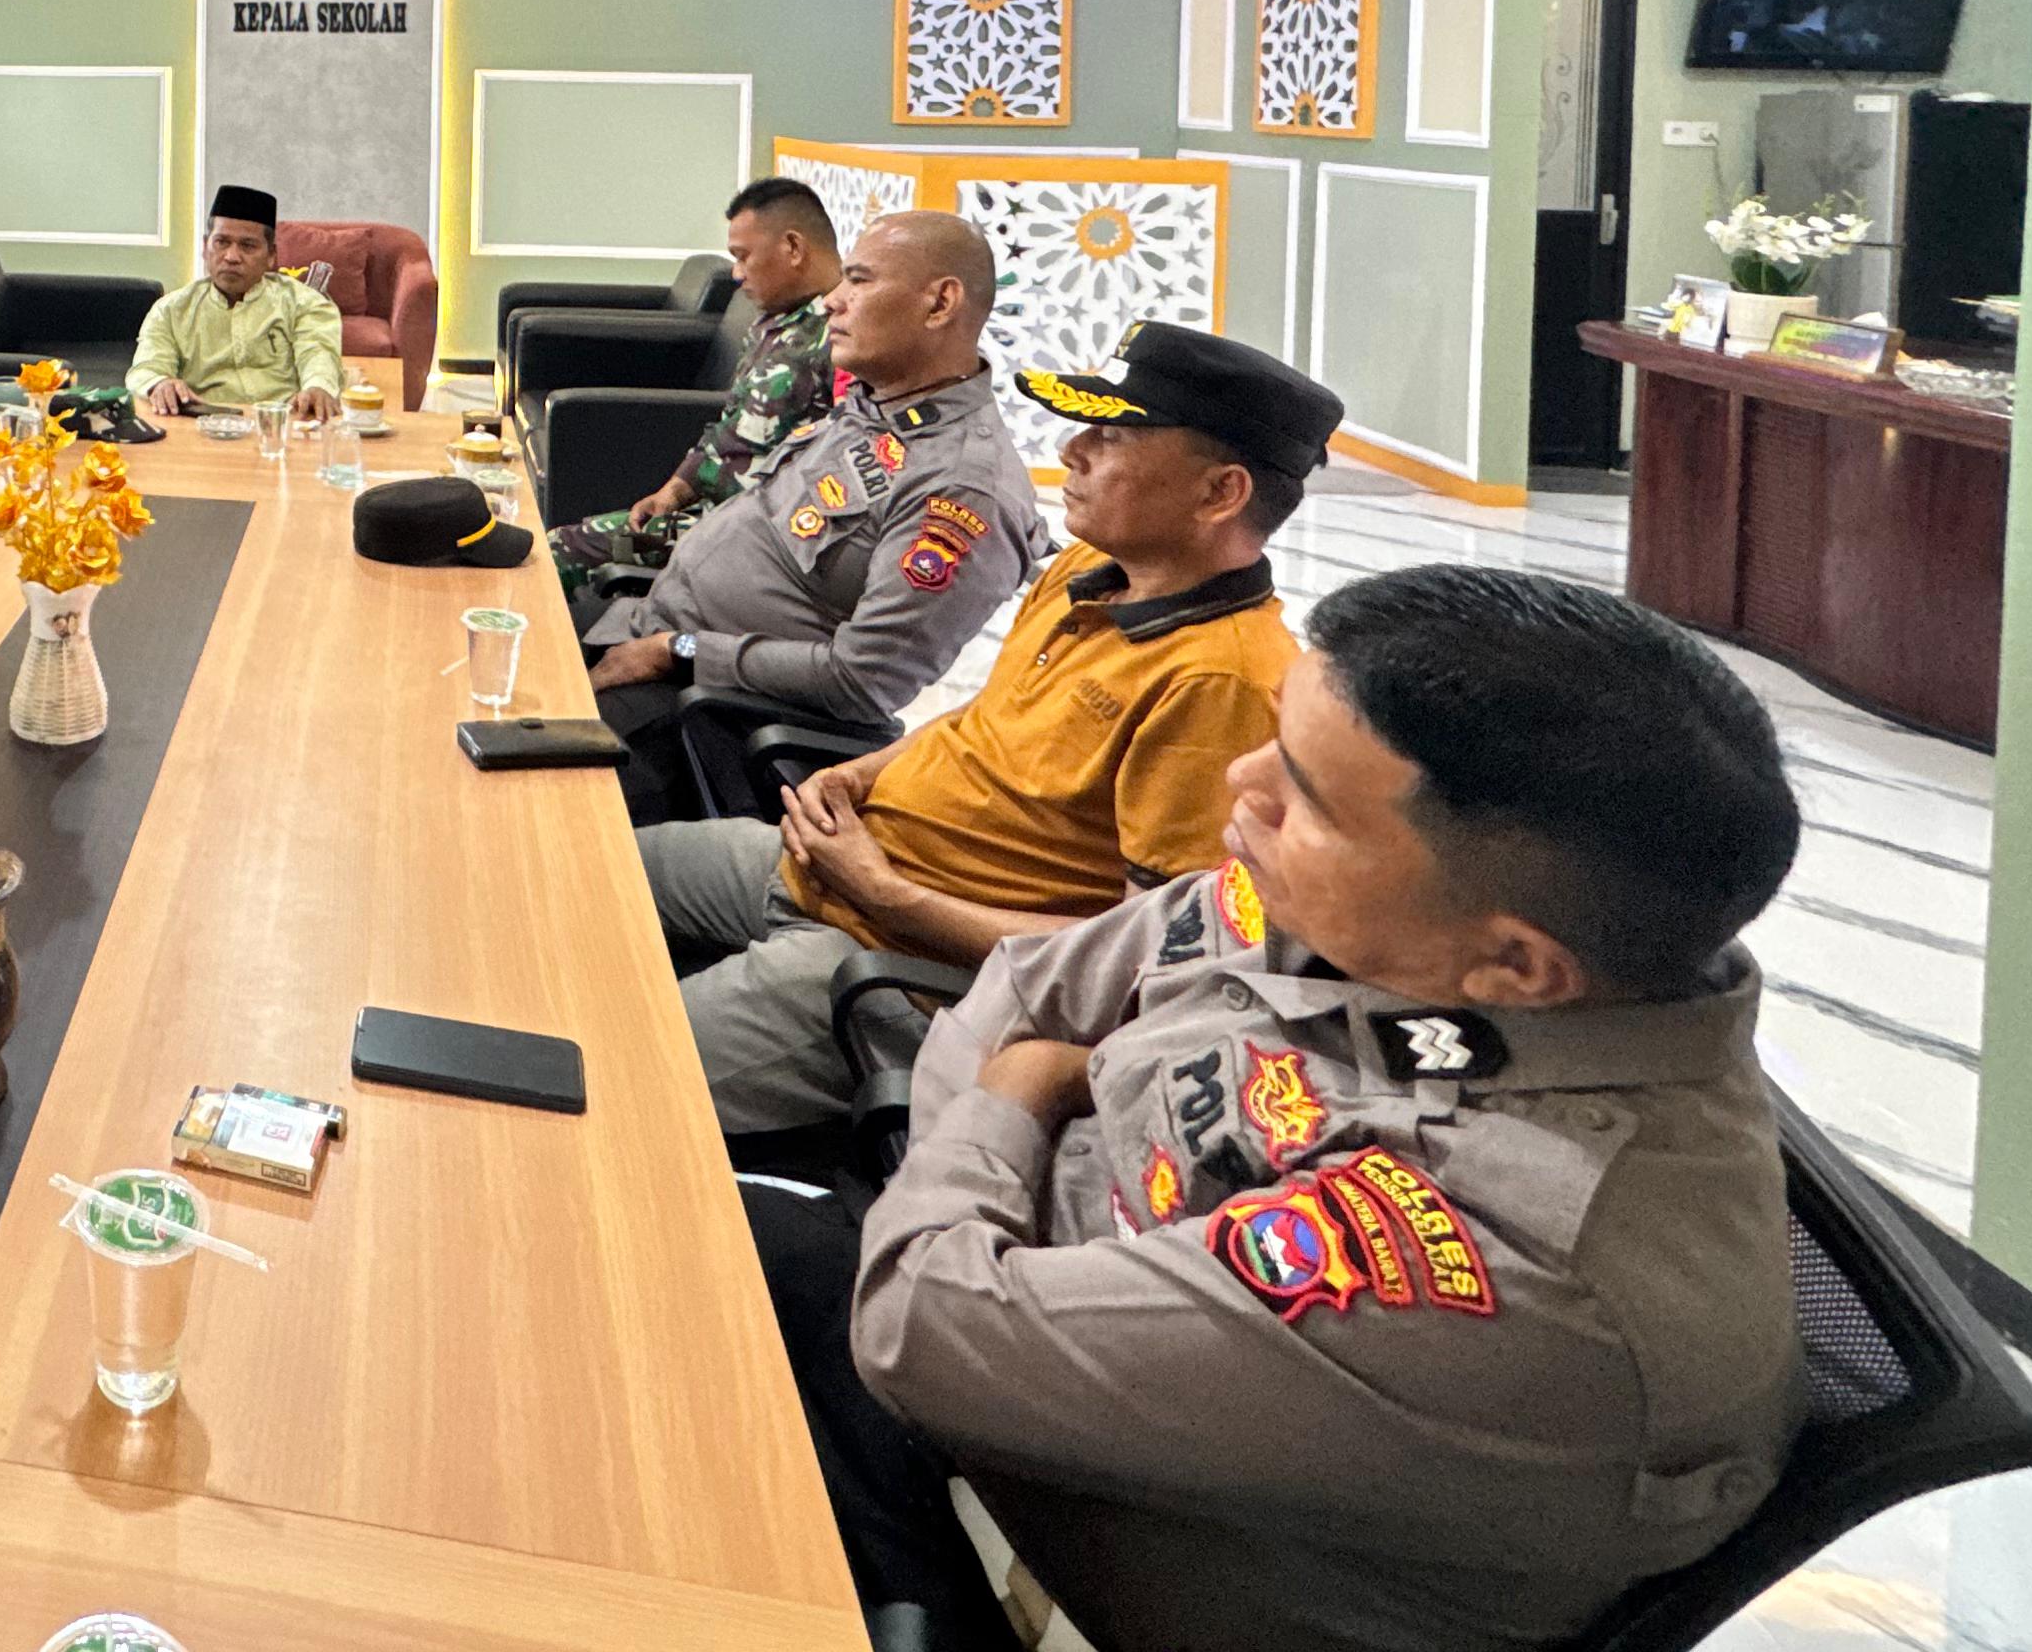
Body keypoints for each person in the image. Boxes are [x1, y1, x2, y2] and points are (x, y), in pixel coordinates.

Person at [764, 566, 1806, 1652]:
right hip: (968, 1306)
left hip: (1028, 1544)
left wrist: (1023, 1092)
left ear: (1517, 967)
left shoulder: (1512, 1271)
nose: (1241, 781)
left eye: (1305, 793)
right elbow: (1018, 991)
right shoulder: (1384, 908)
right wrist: (984, 1158)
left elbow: (922, 1329)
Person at [639, 323, 1341, 1135]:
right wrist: (861, 775)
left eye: (1112, 438)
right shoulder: (1089, 571)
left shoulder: (1221, 681)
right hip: (824, 867)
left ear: (1220, 493)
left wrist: (887, 893)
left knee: (616, 1070)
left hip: (901, 973)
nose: (1072, 451)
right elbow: (987, 717)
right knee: (572, 869)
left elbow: (1140, 959)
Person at [584, 211, 1041, 819]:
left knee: (522, 785)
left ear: (939, 303)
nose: (832, 300)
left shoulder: (961, 490)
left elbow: (862, 682)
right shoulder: (874, 405)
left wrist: (679, 649)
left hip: (707, 712)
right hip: (645, 627)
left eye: (860, 280)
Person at [543, 176, 842, 595]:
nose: (736, 274)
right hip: (708, 514)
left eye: (743, 256)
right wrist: (674, 491)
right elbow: (731, 427)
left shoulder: (846, 336)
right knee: (551, 549)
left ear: (793, 247)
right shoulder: (775, 321)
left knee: (557, 554)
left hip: (757, 539)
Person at [128, 183, 347, 423]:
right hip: (203, 425)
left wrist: (317, 387)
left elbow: (318, 353)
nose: (231, 257)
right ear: (205, 248)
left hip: (283, 424)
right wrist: (159, 383)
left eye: (248, 246)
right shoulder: (171, 310)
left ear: (271, 255)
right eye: (221, 242)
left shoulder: (304, 303)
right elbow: (147, 367)